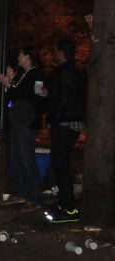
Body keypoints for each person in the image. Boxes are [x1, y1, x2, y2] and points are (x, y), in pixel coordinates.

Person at [0, 46, 45, 211]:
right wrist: (9, 83)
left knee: (26, 159)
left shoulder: (35, 75)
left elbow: (35, 96)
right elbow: (13, 96)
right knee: (17, 159)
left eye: (20, 55)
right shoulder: (23, 75)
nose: (18, 58)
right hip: (19, 121)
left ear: (28, 57)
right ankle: (21, 192)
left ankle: (35, 198)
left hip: (27, 123)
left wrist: (9, 85)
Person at [44, 40, 85, 223]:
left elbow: (63, 98)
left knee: (60, 165)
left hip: (64, 122)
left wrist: (55, 120)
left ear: (61, 53)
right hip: (68, 121)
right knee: (60, 164)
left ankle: (68, 208)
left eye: (55, 51)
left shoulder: (65, 72)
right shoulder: (73, 71)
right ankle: (64, 204)